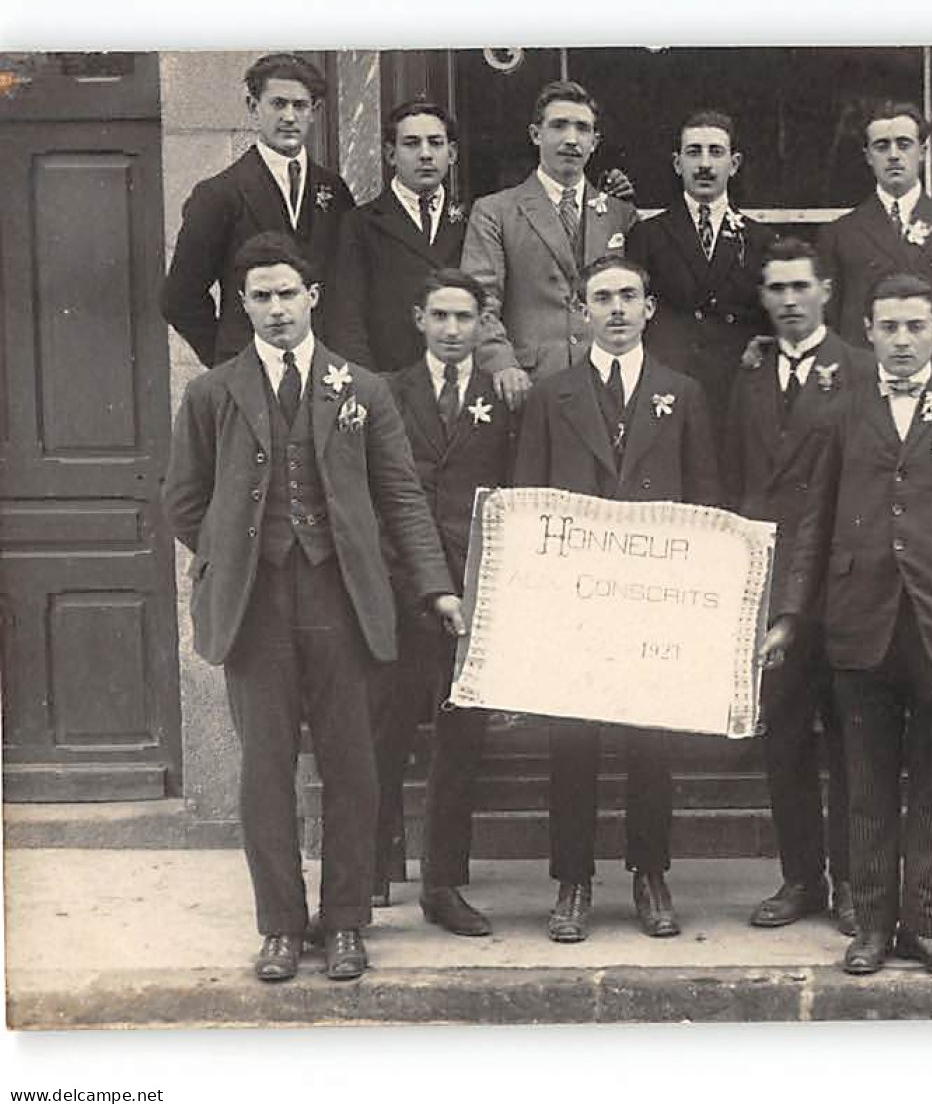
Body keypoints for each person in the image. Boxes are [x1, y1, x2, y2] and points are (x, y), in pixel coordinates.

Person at [162, 232, 462, 982]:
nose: (274, 309)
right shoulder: (212, 393)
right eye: (259, 297)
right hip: (255, 606)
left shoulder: (362, 390)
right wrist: (237, 549)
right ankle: (280, 926)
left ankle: (347, 921)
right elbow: (184, 501)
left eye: (286, 294)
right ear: (243, 303)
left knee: (351, 766)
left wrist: (435, 586)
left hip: (344, 600)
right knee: (265, 769)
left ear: (313, 299)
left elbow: (401, 499)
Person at [761, 272, 932, 979]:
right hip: (858, 621)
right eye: (887, 328)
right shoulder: (840, 415)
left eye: (914, 327)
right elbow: (813, 527)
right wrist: (789, 617)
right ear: (865, 333)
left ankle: (927, 927)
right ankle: (870, 925)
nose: (901, 341)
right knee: (863, 784)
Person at [511, 255, 721, 942]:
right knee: (570, 742)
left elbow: (703, 503)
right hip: (576, 599)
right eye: (602, 298)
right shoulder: (553, 396)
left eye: (629, 296)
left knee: (649, 742)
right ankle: (572, 880)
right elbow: (530, 502)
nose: (617, 310)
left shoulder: (681, 393)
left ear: (649, 307)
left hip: (653, 601)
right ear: (581, 311)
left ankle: (649, 873)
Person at [721, 238, 863, 937]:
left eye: (799, 286)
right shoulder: (746, 373)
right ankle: (800, 877)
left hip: (840, 582)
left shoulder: (859, 372)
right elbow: (733, 474)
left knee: (848, 742)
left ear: (825, 291)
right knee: (782, 741)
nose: (787, 301)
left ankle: (850, 883)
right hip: (766, 583)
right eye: (774, 288)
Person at [370, 269, 514, 933]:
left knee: (459, 745)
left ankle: (443, 884)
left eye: (465, 318)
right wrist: (410, 580)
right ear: (418, 319)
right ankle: (372, 865)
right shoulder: (384, 394)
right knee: (385, 733)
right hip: (400, 592)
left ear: (484, 324)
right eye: (441, 317)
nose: (453, 330)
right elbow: (373, 497)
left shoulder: (505, 397)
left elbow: (513, 497)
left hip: (476, 597)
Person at [163, 53, 356, 366]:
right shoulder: (219, 194)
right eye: (278, 104)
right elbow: (179, 299)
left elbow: (349, 288)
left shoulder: (334, 190)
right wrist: (229, 361)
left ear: (315, 111)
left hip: (322, 368)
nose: (290, 117)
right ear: (254, 107)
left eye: (300, 106)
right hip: (250, 373)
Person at [462, 80, 640, 410]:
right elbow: (479, 300)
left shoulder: (620, 215)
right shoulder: (495, 212)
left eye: (582, 129)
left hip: (607, 387)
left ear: (595, 141)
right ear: (535, 134)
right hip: (529, 388)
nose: (571, 139)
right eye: (559, 126)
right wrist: (503, 363)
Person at [816, 102, 932, 402]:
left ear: (922, 151)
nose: (894, 155)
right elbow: (826, 333)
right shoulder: (839, 235)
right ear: (868, 156)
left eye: (904, 144)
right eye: (882, 146)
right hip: (862, 394)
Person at [627, 110, 774, 449]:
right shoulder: (648, 236)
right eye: (694, 152)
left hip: (734, 394)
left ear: (734, 164)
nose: (705, 164)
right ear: (678, 164)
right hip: (667, 394)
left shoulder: (761, 240)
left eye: (715, 152)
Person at [326, 99, 469, 373]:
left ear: (451, 153)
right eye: (412, 143)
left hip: (456, 380)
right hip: (389, 383)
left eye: (435, 143)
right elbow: (347, 318)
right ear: (391, 155)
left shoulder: (472, 219)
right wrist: (368, 388)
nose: (425, 154)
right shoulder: (361, 224)